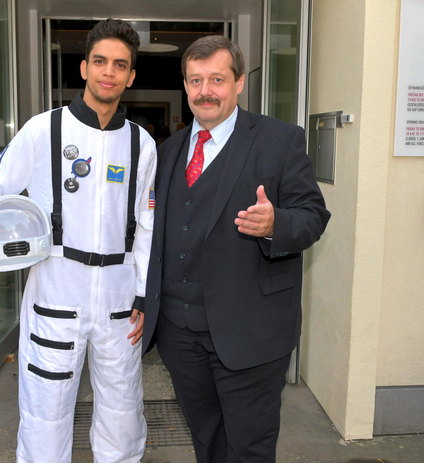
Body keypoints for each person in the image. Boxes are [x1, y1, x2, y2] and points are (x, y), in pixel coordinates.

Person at [0, 19, 157, 463]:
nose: (109, 72)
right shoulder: (44, 131)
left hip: (120, 297)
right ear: (84, 68)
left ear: (131, 77)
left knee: (122, 408)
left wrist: (145, 291)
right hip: (56, 289)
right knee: (46, 409)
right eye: (100, 61)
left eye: (120, 65)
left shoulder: (142, 144)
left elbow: (146, 226)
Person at [142, 35, 330, 463]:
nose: (205, 91)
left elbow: (313, 215)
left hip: (252, 334)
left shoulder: (280, 141)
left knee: (249, 449)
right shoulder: (167, 153)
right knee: (206, 439)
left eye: (217, 79)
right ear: (185, 85)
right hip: (180, 336)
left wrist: (275, 224)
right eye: (195, 80)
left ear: (239, 82)